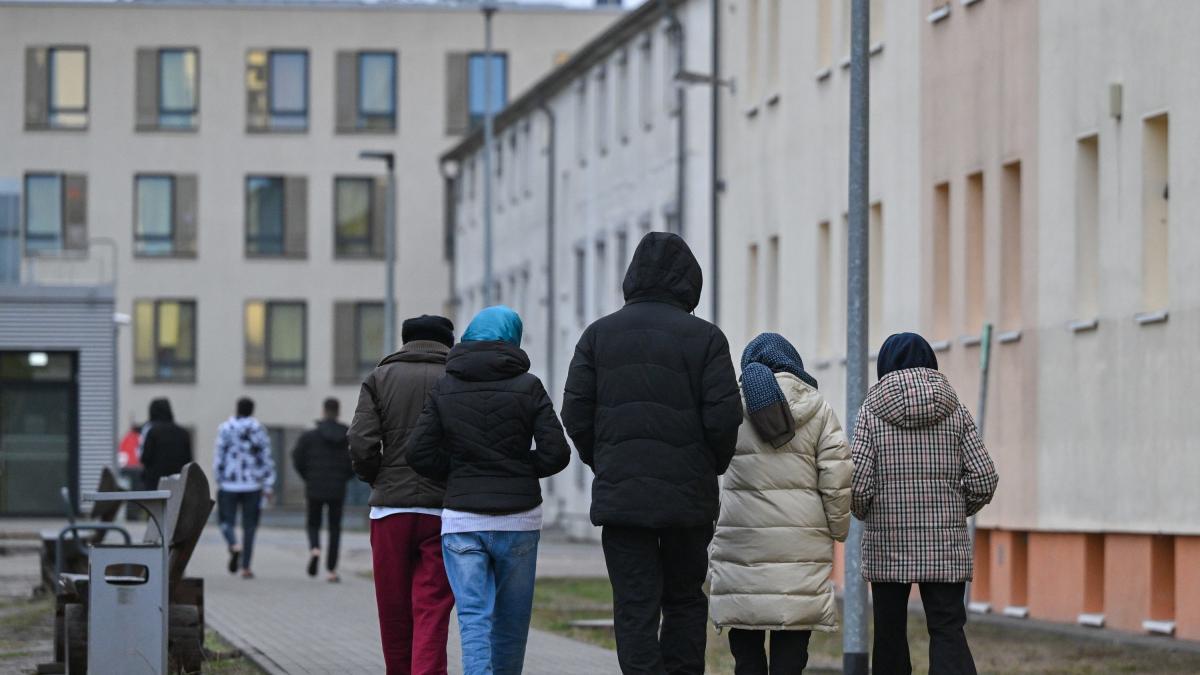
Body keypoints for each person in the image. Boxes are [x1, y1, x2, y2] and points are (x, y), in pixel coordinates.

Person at [562, 232, 743, 675]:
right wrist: (707, 466)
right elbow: (724, 418)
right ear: (689, 282)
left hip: (622, 500)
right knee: (684, 599)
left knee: (634, 605)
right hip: (687, 500)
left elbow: (574, 413)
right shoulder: (706, 339)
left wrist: (604, 460)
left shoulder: (598, 336)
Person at [408, 306, 570, 675]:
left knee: (473, 619)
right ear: (512, 337)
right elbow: (556, 453)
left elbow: (418, 453)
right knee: (511, 623)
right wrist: (521, 468)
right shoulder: (529, 386)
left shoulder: (445, 386)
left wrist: (457, 472)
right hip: (519, 520)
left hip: (463, 519)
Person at [851, 333, 999, 675]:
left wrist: (867, 512)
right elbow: (984, 477)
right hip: (945, 545)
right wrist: (953, 510)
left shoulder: (871, 412)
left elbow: (856, 483)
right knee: (947, 628)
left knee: (889, 634)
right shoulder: (955, 410)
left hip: (888, 542)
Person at [709, 333, 851, 675]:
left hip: (742, 543)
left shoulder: (731, 408)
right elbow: (837, 476)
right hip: (801, 544)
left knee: (746, 652)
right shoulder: (819, 409)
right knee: (791, 651)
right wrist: (837, 529)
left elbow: (707, 462)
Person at [349, 314, 458, 675]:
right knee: (432, 608)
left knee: (393, 610)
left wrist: (377, 477)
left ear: (404, 340)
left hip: (390, 511)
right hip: (442, 510)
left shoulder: (379, 378)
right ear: (448, 341)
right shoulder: (458, 377)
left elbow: (361, 441)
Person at [292, 397, 353, 582]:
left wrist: (307, 477)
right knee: (335, 527)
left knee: (313, 522)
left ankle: (315, 549)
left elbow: (297, 458)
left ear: (324, 411)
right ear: (338, 411)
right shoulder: (347, 435)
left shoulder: (310, 436)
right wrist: (344, 478)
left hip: (314, 486)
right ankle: (331, 569)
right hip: (337, 488)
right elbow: (356, 460)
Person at [214, 396, 276, 579]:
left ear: (237, 409)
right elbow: (266, 456)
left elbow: (219, 455)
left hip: (229, 483)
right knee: (250, 526)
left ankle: (234, 544)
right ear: (252, 410)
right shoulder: (258, 429)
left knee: (225, 521)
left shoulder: (225, 428)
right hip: (253, 484)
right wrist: (269, 483)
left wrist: (219, 478)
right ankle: (246, 567)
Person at [139, 398, 193, 489]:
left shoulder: (152, 432)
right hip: (177, 484)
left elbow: (145, 458)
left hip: (155, 485)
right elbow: (188, 460)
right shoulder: (183, 433)